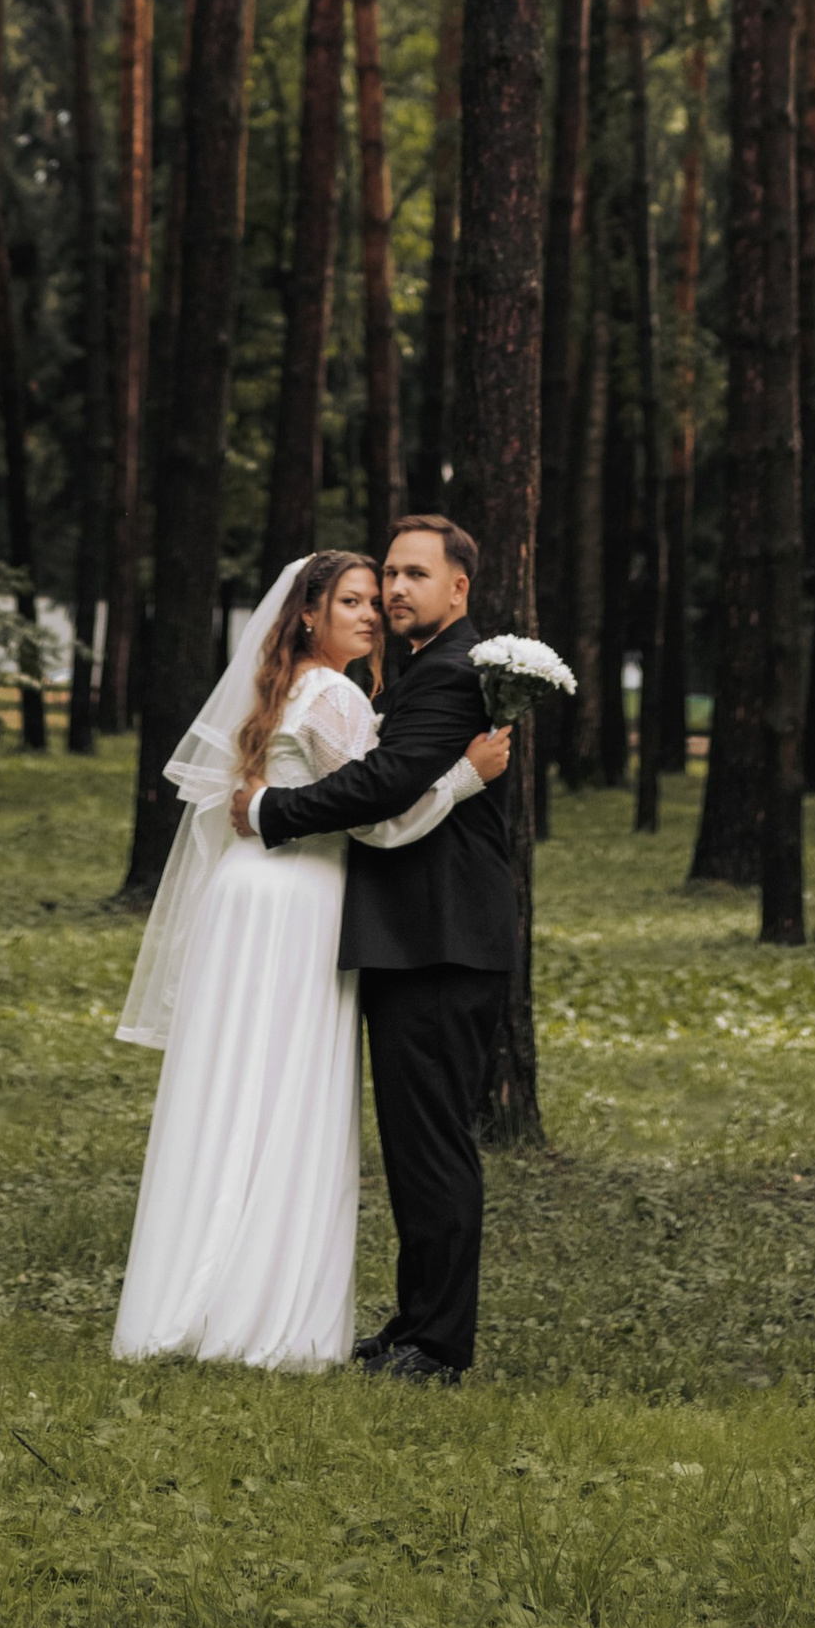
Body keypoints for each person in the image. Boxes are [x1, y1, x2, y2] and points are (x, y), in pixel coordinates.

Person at [112, 548, 510, 1374]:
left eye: (384, 596)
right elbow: (378, 818)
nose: (374, 611)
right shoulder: (334, 692)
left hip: (253, 898)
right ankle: (267, 1311)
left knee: (236, 1095)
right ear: (308, 614)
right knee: (283, 1098)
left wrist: (264, 806)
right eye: (356, 600)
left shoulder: (288, 683)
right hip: (295, 903)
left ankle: (212, 1292)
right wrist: (466, 777)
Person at [232, 514, 518, 1387]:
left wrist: (272, 812)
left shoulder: (451, 676)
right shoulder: (421, 671)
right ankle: (411, 1325)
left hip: (440, 939)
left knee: (432, 1148)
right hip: (412, 937)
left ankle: (435, 1349)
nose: (394, 590)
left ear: (457, 588)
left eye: (413, 575)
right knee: (414, 1145)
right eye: (387, 574)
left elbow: (385, 785)